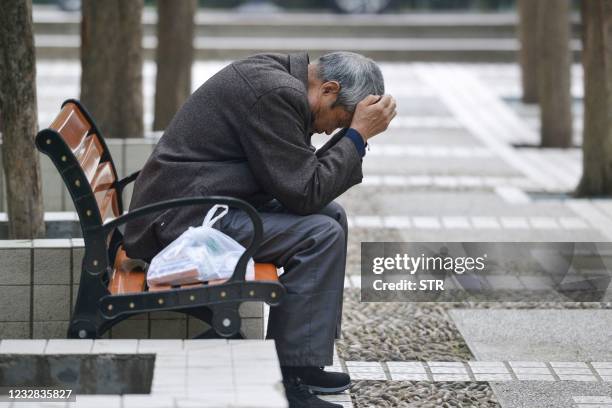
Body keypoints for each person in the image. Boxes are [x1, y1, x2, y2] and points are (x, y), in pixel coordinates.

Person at [124, 51, 396, 407]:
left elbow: (302, 182)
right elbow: (304, 191)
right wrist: (357, 136)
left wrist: (354, 134)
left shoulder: (284, 80)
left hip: (207, 200)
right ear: (328, 89)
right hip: (183, 219)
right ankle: (287, 378)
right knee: (321, 234)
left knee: (333, 218)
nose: (331, 130)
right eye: (339, 120)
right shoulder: (276, 94)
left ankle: (303, 361)